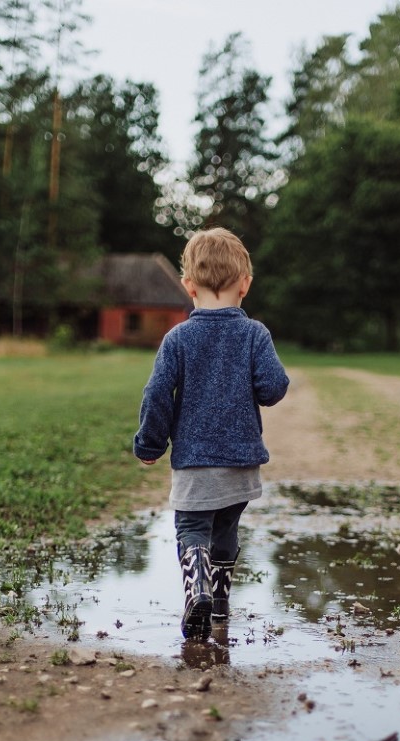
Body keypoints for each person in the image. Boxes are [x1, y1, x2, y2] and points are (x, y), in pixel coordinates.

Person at [133, 227, 289, 639]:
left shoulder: (178, 338)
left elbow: (157, 394)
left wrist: (150, 442)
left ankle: (197, 588)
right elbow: (273, 388)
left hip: (195, 463)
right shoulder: (255, 334)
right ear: (245, 285)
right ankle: (218, 601)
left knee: (191, 529)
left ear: (188, 286)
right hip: (241, 465)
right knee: (226, 529)